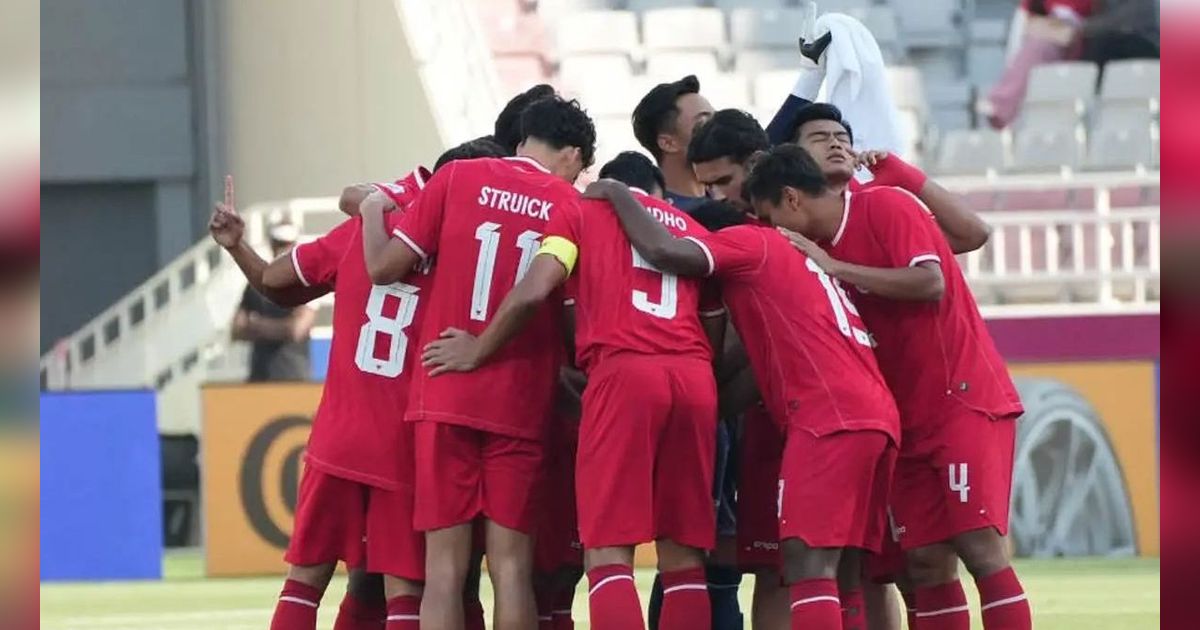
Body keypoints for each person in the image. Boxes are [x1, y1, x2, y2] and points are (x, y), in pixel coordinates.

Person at [422, 151, 725, 630]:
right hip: (694, 376)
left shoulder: (581, 211)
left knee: (607, 550)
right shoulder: (689, 228)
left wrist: (479, 348)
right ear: (658, 191)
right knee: (683, 553)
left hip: (624, 371)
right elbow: (717, 326)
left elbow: (537, 287)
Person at [585, 170, 900, 630]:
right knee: (844, 568)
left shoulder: (748, 244)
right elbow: (750, 373)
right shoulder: (798, 269)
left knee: (805, 565)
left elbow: (665, 250)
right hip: (875, 416)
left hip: (828, 420)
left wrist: (615, 192)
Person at [757, 144, 1031, 630]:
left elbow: (931, 283)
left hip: (961, 400)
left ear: (791, 199)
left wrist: (835, 268)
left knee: (980, 547)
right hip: (903, 418)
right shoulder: (811, 254)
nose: (771, 229)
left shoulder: (885, 205)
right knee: (924, 560)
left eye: (770, 215)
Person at [358, 94, 595, 630]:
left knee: (444, 569)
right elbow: (558, 307)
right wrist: (487, 347)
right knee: (511, 567)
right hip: (520, 399)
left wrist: (374, 210)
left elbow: (383, 267)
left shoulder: (458, 178)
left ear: (521, 140)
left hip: (444, 391)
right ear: (574, 156)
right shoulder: (569, 207)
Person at [231, 218, 316, 382]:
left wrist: (254, 324)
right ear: (271, 245)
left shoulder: (307, 284)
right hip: (260, 379)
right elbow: (236, 330)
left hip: (294, 379)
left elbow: (296, 330)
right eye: (279, 244)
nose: (282, 249)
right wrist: (280, 328)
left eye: (287, 244)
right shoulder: (256, 284)